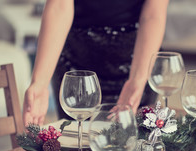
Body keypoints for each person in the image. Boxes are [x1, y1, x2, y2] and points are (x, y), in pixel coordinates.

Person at [23, 0, 169, 126]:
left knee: (136, 147)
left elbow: (153, 14)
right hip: (76, 62)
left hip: (137, 61)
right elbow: (59, 7)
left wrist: (138, 79)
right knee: (76, 148)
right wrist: (40, 83)